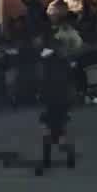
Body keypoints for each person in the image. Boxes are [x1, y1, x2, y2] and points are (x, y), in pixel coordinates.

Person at [35, 45, 77, 175]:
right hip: (62, 104)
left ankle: (48, 159)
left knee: (49, 133)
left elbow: (43, 90)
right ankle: (69, 155)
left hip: (52, 105)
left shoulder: (48, 71)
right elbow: (70, 85)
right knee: (59, 133)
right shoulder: (64, 67)